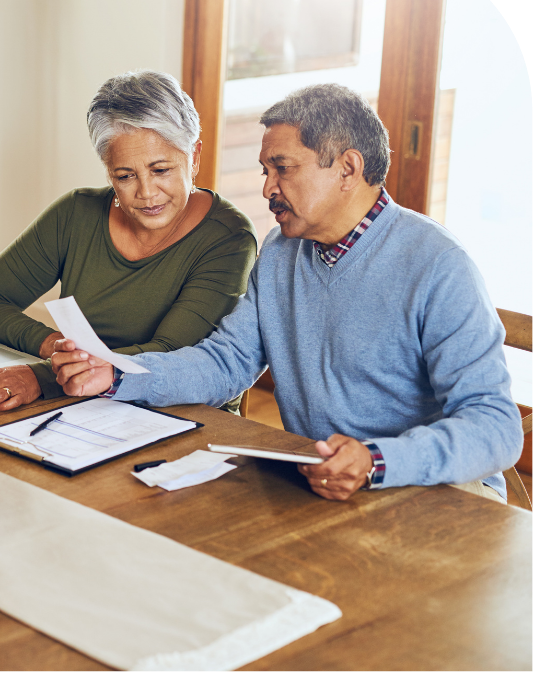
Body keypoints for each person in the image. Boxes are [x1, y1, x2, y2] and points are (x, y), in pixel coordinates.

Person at [51, 83, 523, 503]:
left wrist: (377, 461)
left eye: (282, 169)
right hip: (325, 487)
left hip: (438, 495)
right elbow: (226, 362)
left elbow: (496, 429)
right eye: (264, 170)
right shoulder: (280, 252)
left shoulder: (438, 265)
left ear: (348, 168)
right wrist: (115, 375)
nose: (267, 188)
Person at [0, 70, 257, 416]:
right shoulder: (77, 213)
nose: (146, 193)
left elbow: (171, 354)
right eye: (125, 176)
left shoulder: (229, 238)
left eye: (161, 170)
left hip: (181, 416)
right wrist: (56, 348)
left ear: (194, 156)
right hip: (82, 407)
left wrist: (42, 377)